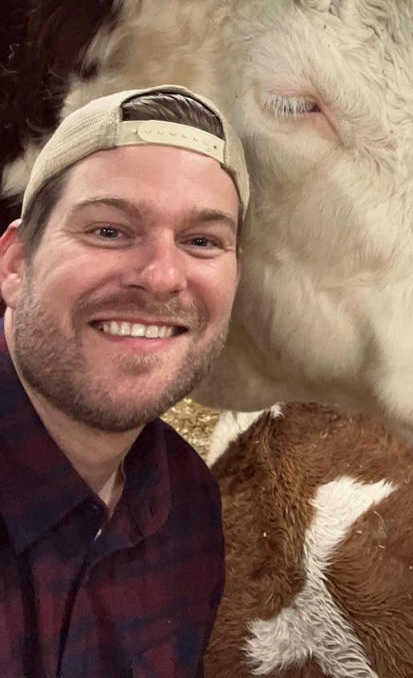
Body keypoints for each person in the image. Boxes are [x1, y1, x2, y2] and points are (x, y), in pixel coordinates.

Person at [0, 85, 250, 677]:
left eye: (201, 241)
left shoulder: (187, 506)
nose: (163, 278)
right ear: (15, 263)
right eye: (109, 231)